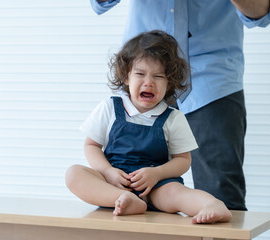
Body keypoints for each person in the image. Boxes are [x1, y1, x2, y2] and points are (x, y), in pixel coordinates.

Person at [89, 0, 270, 210]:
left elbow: (262, 12)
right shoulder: (114, 105)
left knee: (222, 197)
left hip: (213, 80)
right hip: (142, 71)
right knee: (121, 187)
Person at [65, 30, 232, 224]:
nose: (149, 82)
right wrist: (108, 172)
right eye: (140, 74)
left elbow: (183, 160)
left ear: (169, 82)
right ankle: (122, 199)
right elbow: (91, 146)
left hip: (157, 187)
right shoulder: (109, 108)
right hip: (114, 184)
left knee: (177, 193)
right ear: (126, 76)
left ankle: (211, 204)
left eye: (158, 76)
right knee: (74, 174)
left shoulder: (173, 118)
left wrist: (157, 174)